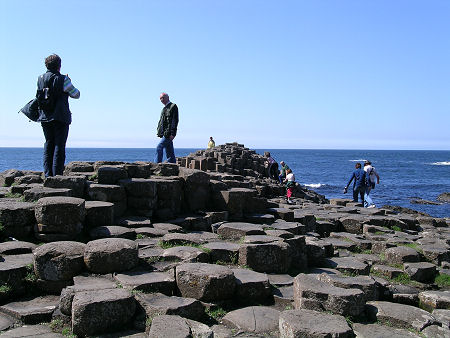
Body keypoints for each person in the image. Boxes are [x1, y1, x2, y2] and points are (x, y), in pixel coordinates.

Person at [37, 54, 80, 177]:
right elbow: (76, 94)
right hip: (60, 116)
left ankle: (48, 174)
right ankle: (57, 175)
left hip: (45, 116)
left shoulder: (40, 78)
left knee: (48, 143)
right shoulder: (63, 79)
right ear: (59, 66)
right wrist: (69, 81)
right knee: (59, 145)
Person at [156, 92, 179, 163]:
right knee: (169, 150)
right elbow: (162, 122)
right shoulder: (164, 108)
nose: (161, 100)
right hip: (165, 133)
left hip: (168, 133)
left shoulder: (173, 106)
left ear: (167, 97)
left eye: (163, 98)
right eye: (160, 99)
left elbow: (175, 120)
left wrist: (173, 133)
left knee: (159, 147)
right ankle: (173, 165)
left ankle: (157, 165)